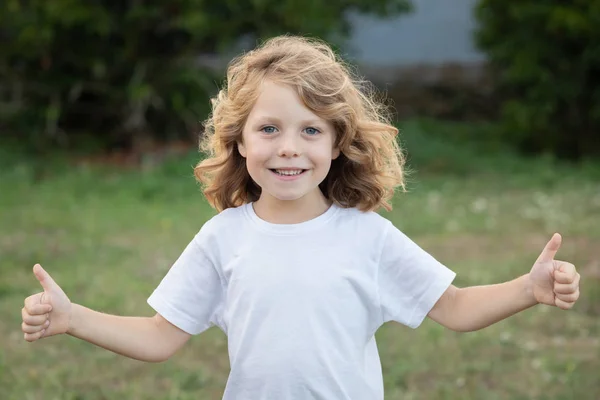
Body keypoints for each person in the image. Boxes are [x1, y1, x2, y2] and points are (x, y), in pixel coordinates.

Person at [21, 36, 581, 399]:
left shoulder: (367, 236)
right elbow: (161, 336)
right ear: (239, 141)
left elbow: (456, 308)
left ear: (337, 143)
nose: (289, 147)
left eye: (310, 130)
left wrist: (527, 289)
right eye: (270, 129)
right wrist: (74, 319)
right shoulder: (223, 238)